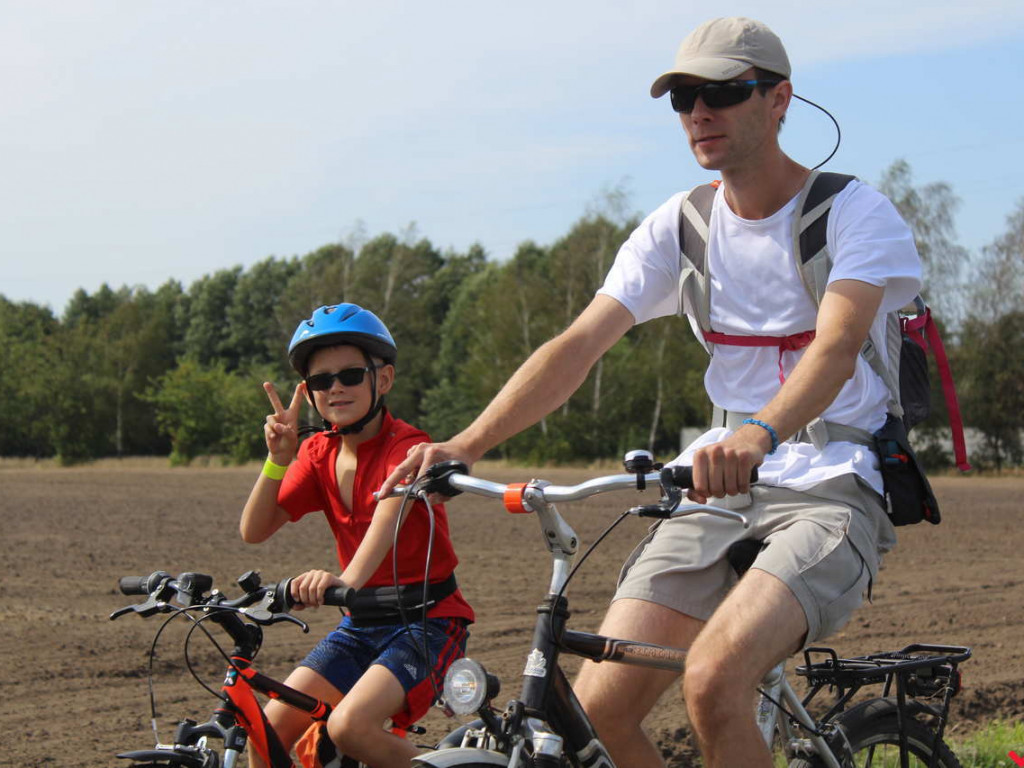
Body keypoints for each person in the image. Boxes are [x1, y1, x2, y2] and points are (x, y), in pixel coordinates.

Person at [379, 16, 922, 768]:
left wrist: (758, 434)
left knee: (714, 681)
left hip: (832, 488)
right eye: (683, 97)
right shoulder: (683, 225)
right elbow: (578, 345)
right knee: (598, 714)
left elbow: (835, 348)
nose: (699, 111)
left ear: (779, 100)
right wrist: (466, 444)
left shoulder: (852, 213)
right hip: (716, 487)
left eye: (722, 92)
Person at [240, 303, 474, 768]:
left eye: (350, 375)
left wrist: (342, 581)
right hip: (360, 623)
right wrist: (278, 459)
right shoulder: (316, 452)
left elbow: (387, 520)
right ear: (309, 393)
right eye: (321, 381)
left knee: (349, 727)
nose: (336, 388)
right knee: (265, 732)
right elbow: (254, 529)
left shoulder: (408, 449)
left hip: (427, 621)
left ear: (382, 380)